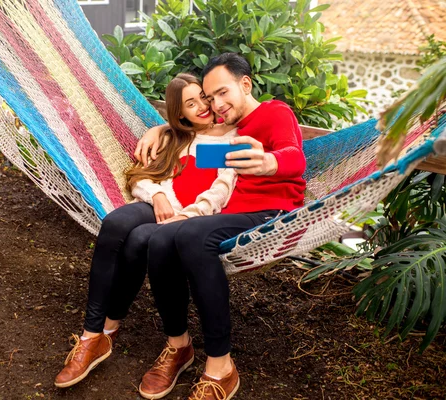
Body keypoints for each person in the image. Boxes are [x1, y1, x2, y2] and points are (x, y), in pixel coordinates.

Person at [135, 53, 306, 400]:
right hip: (227, 216)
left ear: (245, 84)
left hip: (270, 215)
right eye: (211, 98)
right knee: (159, 238)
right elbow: (195, 146)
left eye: (223, 93)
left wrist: (270, 161)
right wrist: (161, 129)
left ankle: (221, 366)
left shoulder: (274, 113)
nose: (216, 104)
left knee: (191, 236)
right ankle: (178, 344)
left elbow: (295, 156)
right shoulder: (231, 133)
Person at [54, 73, 239, 389]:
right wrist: (157, 195)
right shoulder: (176, 137)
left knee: (139, 240)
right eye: (190, 104)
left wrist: (186, 216)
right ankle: (91, 336)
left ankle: (117, 334)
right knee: (113, 224)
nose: (202, 107)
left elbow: (221, 187)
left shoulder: (231, 138)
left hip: (191, 217)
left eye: (203, 98)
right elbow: (140, 175)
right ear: (180, 113)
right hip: (160, 204)